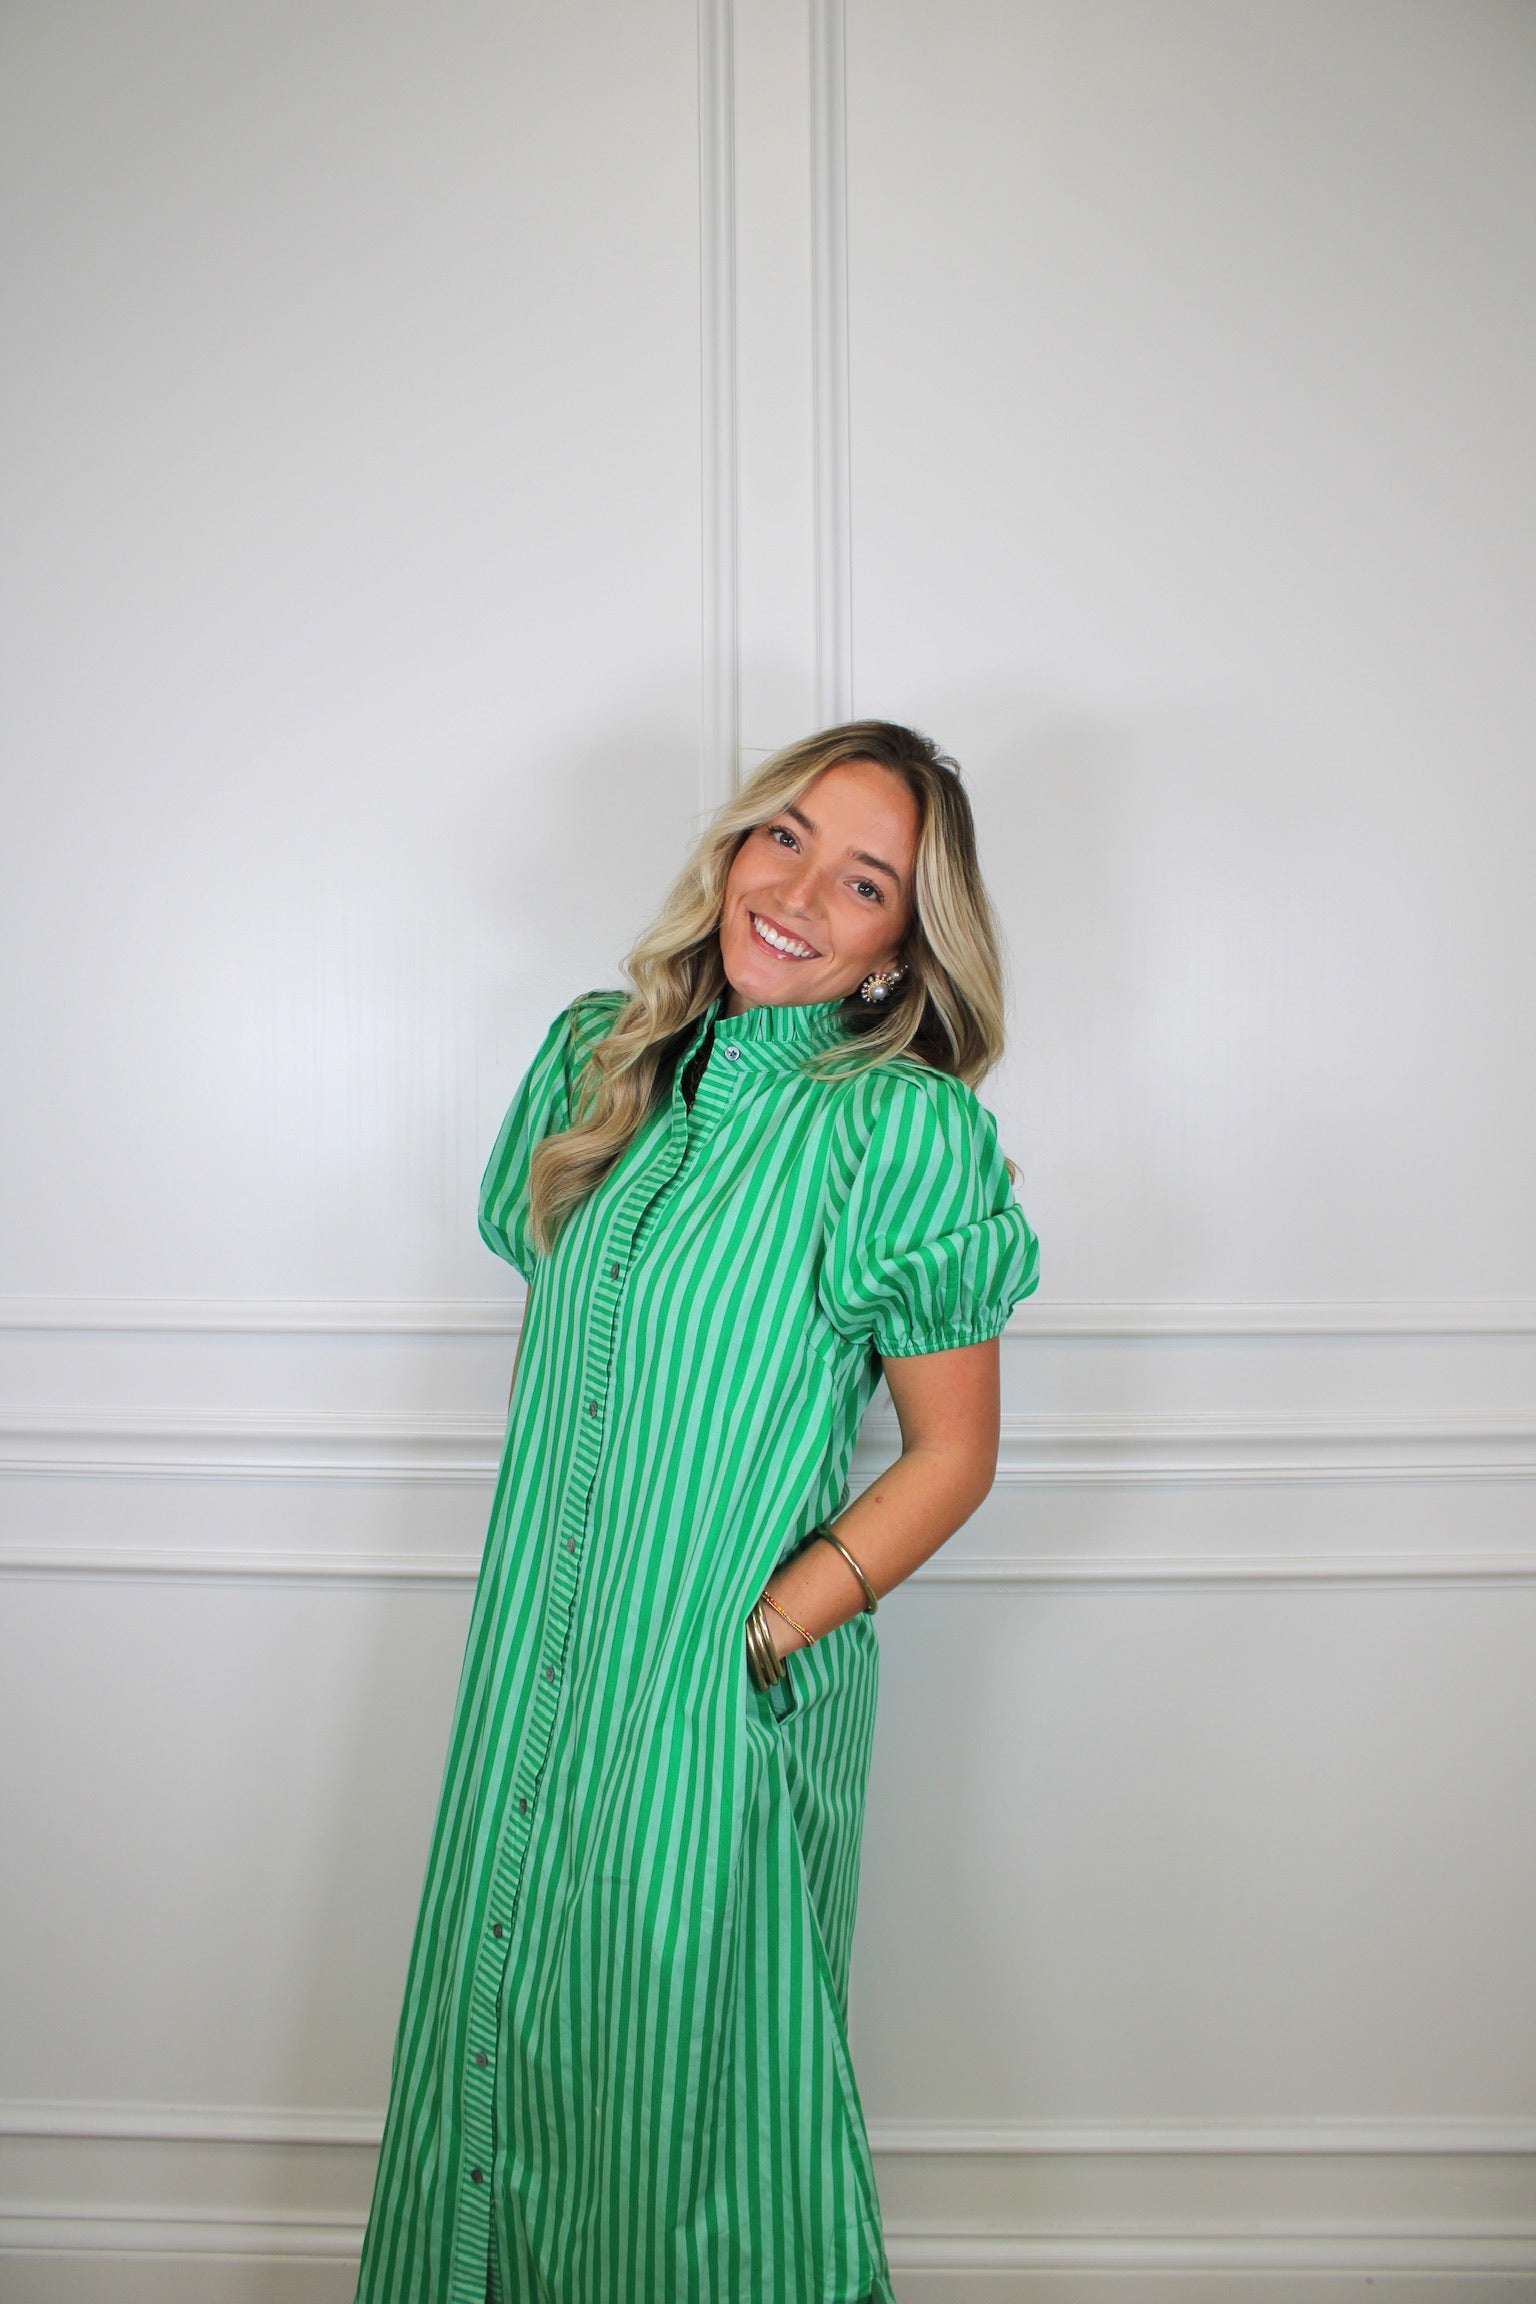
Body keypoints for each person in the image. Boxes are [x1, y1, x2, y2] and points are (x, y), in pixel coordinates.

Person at [354, 721, 1041, 2304]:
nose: (795, 893)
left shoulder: (898, 1134)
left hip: (712, 1697)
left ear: (898, 945)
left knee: (694, 2113)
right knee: (503, 2044)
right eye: (785, 836)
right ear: (736, 844)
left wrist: (755, 1638)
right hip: (532, 1677)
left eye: (861, 881)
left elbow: (953, 1456)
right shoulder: (597, 1059)